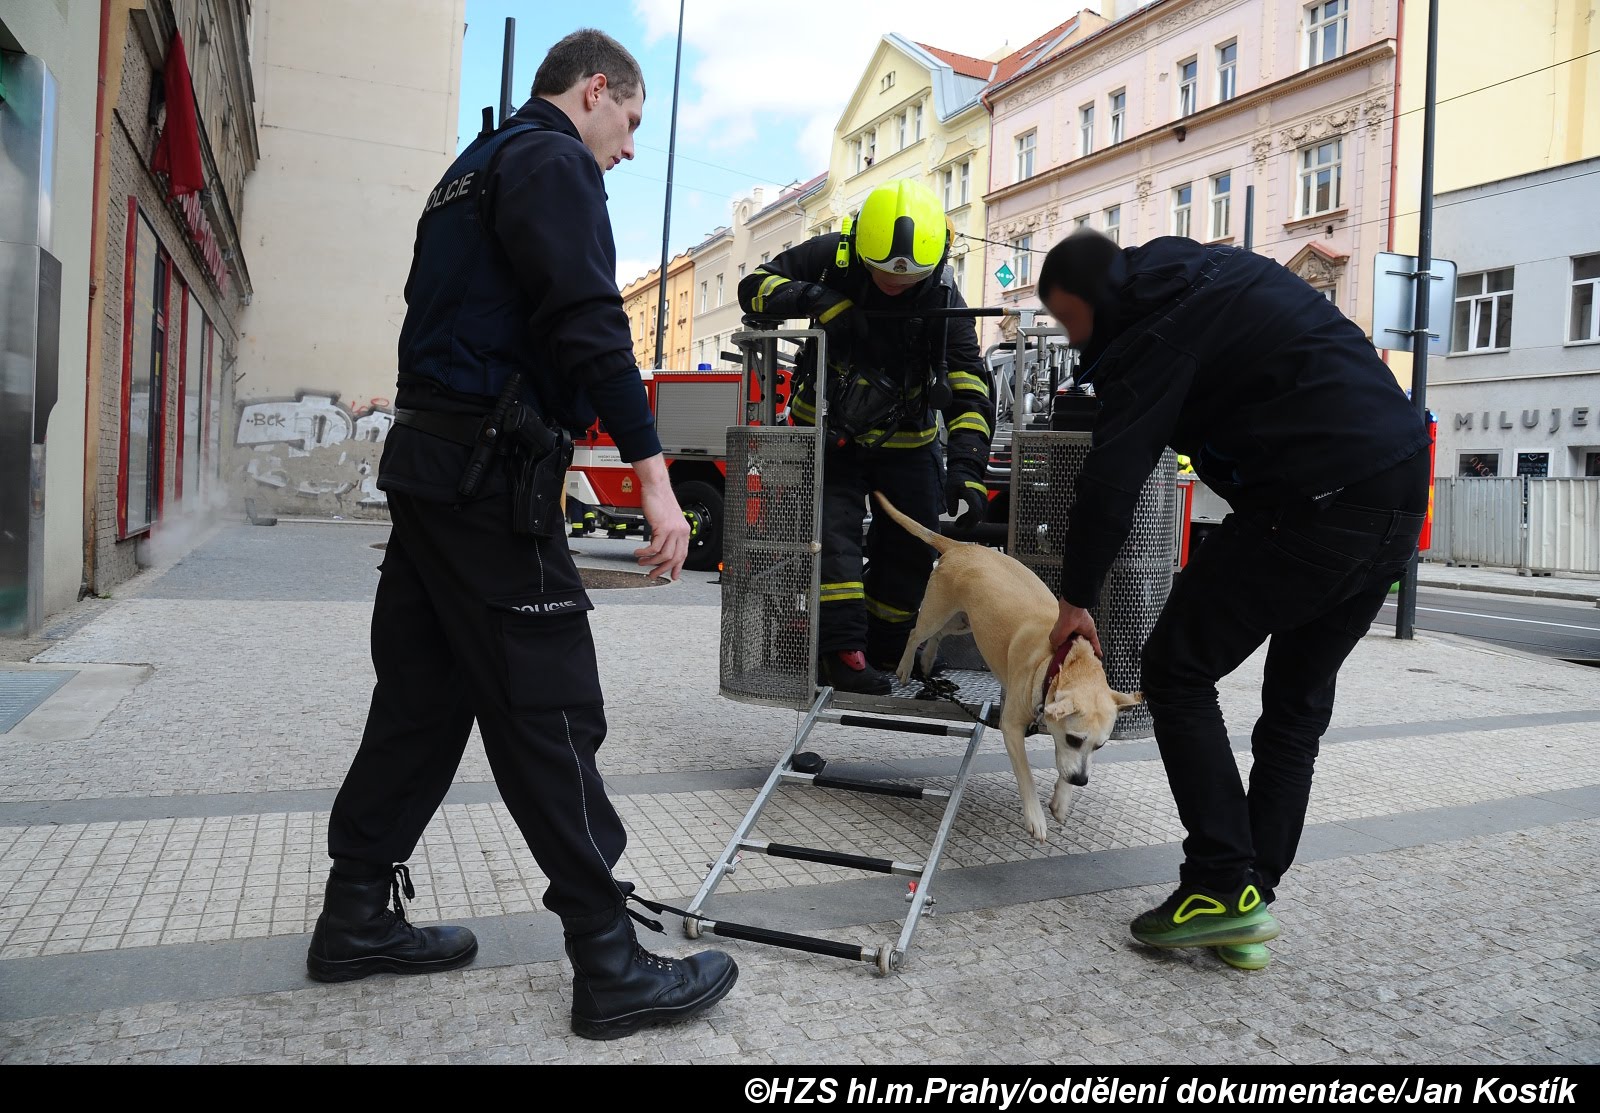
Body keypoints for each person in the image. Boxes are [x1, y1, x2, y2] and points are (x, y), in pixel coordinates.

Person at [305, 28, 737, 1040]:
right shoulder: (552, 160)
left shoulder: (470, 167)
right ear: (594, 91)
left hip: (428, 466)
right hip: (490, 481)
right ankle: (609, 958)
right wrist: (656, 481)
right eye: (628, 124)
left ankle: (356, 913)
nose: (627, 151)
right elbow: (591, 321)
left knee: (423, 698)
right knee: (550, 709)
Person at [1037, 230, 1429, 971]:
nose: (1070, 335)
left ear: (1091, 300)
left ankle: (1222, 880)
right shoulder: (1214, 275)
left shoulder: (1155, 328)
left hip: (1316, 499)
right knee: (1296, 707)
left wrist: (1076, 597)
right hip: (1400, 492)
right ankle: (1250, 899)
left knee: (1176, 668)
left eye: (1067, 318)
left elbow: (1113, 476)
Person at [738, 179, 996, 694]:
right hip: (828, 437)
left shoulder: (945, 297)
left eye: (907, 278)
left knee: (912, 546)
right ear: (860, 247)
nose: (892, 284)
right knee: (830, 541)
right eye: (879, 273)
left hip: (909, 444)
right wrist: (817, 297)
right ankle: (843, 652)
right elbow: (755, 288)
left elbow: (969, 387)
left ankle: (886, 646)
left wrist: (967, 470)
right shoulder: (832, 256)